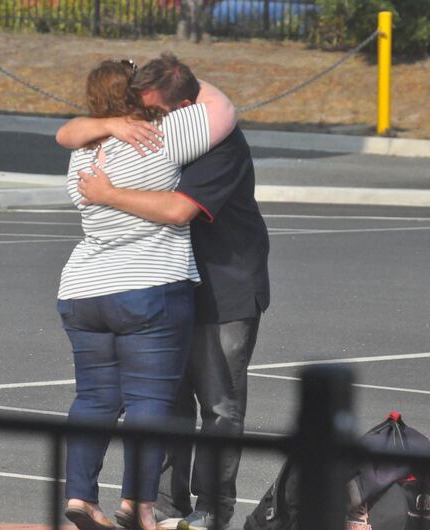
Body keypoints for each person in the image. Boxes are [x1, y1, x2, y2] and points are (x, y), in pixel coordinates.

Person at [56, 53, 270, 530]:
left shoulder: (214, 140)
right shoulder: (157, 133)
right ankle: (161, 505)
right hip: (165, 287)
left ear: (182, 104)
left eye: (159, 106)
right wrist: (117, 117)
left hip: (225, 284)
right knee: (165, 400)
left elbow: (178, 209)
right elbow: (72, 130)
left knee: (218, 406)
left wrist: (108, 192)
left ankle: (211, 509)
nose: (153, 116)